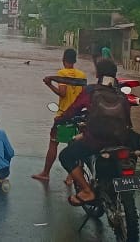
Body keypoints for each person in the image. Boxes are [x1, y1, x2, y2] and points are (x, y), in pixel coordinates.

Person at [54, 58, 133, 205]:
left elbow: (73, 110)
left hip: (95, 141)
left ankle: (87, 191)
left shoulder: (91, 91)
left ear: (98, 74)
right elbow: (128, 120)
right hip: (119, 141)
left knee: (65, 156)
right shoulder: (122, 95)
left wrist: (60, 119)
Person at [32, 49, 87, 181]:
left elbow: (62, 93)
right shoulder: (82, 75)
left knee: (53, 143)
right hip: (79, 115)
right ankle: (71, 177)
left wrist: (49, 85)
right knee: (74, 146)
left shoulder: (62, 73)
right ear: (75, 60)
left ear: (63, 60)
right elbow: (84, 95)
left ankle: (45, 173)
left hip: (64, 115)